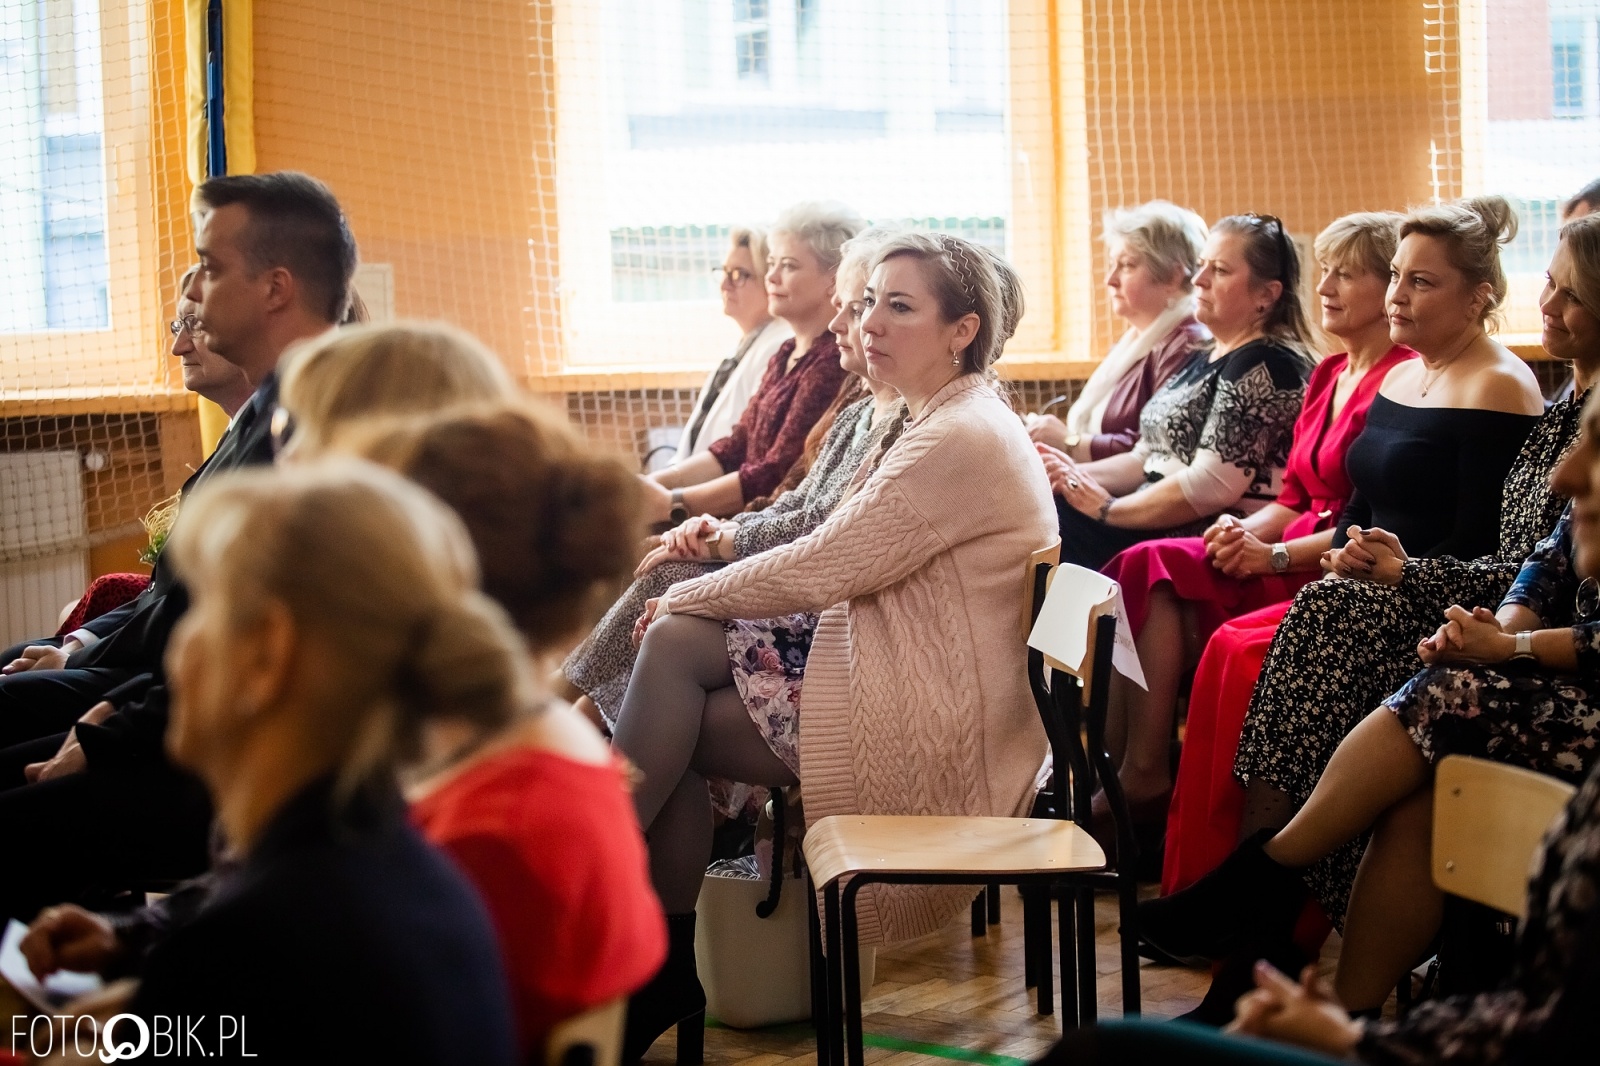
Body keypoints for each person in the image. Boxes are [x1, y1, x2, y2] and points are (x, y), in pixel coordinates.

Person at [1034, 384, 1600, 1066]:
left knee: (1442, 692)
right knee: (1350, 645)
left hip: (1562, 682)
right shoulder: (1554, 407)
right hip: (1508, 645)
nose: (1565, 475)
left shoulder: (1496, 388)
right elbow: (1536, 571)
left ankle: (1265, 879)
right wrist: (1488, 631)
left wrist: (1506, 649)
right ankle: (1331, 1007)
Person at [609, 233, 1056, 1060]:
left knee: (670, 674)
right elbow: (832, 551)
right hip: (879, 665)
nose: (871, 322)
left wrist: (689, 585)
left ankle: (612, 918)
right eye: (867, 302)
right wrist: (688, 591)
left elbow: (827, 563)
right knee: (672, 647)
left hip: (930, 723)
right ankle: (646, 951)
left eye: (900, 306)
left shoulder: (959, 436)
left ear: (963, 330)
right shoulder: (935, 415)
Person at [0, 323, 516, 925]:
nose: (285, 459)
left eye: (306, 434)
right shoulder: (395, 570)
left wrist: (111, 728)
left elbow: (284, 854)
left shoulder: (370, 598)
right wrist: (137, 936)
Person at [23, 462, 522, 1063]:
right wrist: (127, 947)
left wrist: (39, 1046)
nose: (175, 652)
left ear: (268, 653)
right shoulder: (405, 866)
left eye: (203, 613)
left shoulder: (249, 941)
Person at [1220, 204, 1579, 943]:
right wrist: (1316, 556)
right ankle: (1260, 897)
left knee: (1326, 621)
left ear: (1478, 294)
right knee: (1320, 609)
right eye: (1398, 278)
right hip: (1413, 596)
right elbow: (1362, 513)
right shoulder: (1420, 379)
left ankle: (1261, 893)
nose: (1397, 296)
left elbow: (1498, 552)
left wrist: (1477, 623)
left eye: (1420, 281)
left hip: (1437, 607)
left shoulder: (1508, 391)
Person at [0, 171, 358, 748]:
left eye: (210, 271)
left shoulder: (308, 429)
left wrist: (108, 723)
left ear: (274, 289)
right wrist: (80, 660)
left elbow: (228, 635)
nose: (197, 294)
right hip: (168, 692)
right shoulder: (272, 408)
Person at [1092, 212, 1416, 845]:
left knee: (1152, 567)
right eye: (1324, 272)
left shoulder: (1394, 377)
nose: (1325, 287)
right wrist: (1247, 536)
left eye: (1346, 275)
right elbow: (1293, 493)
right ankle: (1113, 769)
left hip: (1325, 562)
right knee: (1140, 564)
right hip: (1289, 540)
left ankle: (1143, 777)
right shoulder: (1328, 372)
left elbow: (1355, 516)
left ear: (1390, 290)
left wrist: (1271, 554)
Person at [561, 228, 907, 732]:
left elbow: (793, 500)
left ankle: (580, 720)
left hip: (824, 615)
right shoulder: (841, 400)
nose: (767, 278)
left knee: (667, 590)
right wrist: (679, 505)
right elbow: (759, 465)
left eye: (856, 308)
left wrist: (689, 515)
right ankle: (586, 718)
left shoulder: (849, 387)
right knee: (661, 573)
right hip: (775, 545)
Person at [1040, 213, 1315, 570]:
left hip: (1203, 536)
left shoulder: (1265, 364)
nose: (1198, 280)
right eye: (1201, 266)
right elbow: (1145, 458)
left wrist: (1109, 508)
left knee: (1051, 527)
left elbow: (1210, 485)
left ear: (1266, 294)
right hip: (1149, 513)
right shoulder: (1206, 355)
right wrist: (1070, 476)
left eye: (1219, 270)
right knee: (1043, 504)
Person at [639, 202, 864, 524]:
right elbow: (736, 445)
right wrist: (653, 486)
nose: (771, 277)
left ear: (834, 279)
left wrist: (674, 503)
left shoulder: (832, 361)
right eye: (771, 263)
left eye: (788, 266)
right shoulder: (785, 352)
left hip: (762, 523)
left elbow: (777, 470)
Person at [1028, 200, 1210, 459]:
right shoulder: (1136, 341)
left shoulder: (1187, 344)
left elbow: (1155, 450)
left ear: (1172, 277)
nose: (1110, 280)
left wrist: (1069, 441)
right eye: (1113, 264)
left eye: (1127, 265)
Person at [674, 227, 793, 463]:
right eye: (724, 272)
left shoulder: (779, 347)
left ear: (770, 280)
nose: (725, 285)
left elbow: (744, 451)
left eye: (739, 274)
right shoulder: (746, 344)